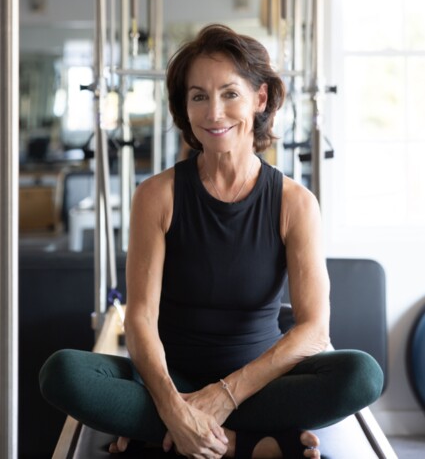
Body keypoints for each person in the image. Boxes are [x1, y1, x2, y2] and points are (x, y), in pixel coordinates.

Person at [40, 24, 384, 458]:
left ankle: (171, 437)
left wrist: (222, 397)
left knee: (362, 375)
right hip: (169, 380)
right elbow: (141, 319)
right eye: (198, 96)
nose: (214, 113)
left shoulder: (295, 203)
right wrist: (172, 406)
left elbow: (314, 330)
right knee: (62, 373)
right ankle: (247, 444)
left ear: (260, 99)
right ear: (185, 107)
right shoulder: (156, 195)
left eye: (230, 94)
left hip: (259, 386)